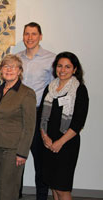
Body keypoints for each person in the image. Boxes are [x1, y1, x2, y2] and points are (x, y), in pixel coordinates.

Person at [40, 52, 89, 200]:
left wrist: (60, 142)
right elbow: (41, 116)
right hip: (48, 143)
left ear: (74, 70)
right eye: (60, 66)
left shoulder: (79, 90)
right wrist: (44, 137)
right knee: (54, 187)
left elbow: (79, 122)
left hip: (67, 144)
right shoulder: (50, 88)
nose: (63, 70)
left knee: (63, 189)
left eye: (67, 67)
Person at [0, 54, 36, 200]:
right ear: (1, 70)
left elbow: (29, 126)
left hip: (13, 149)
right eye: (5, 66)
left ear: (20, 71)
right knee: (2, 187)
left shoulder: (26, 93)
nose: (9, 69)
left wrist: (22, 152)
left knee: (9, 190)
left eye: (13, 66)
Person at [17, 22, 56, 199]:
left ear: (40, 36)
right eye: (27, 34)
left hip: (40, 114)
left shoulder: (51, 59)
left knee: (41, 162)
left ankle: (41, 197)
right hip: (18, 115)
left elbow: (56, 89)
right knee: (17, 160)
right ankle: (15, 195)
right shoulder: (16, 59)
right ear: (23, 36)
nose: (30, 37)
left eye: (34, 34)